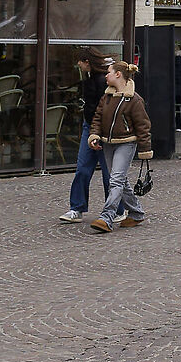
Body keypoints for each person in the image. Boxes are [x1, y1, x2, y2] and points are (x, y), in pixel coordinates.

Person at [91, 58, 153, 233]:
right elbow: (97, 117)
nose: (106, 76)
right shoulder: (107, 97)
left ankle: (107, 217)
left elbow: (143, 126)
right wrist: (95, 135)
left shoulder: (134, 99)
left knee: (116, 179)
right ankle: (136, 212)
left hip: (126, 143)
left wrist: (145, 150)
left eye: (108, 72)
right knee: (120, 180)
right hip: (108, 143)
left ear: (118, 74)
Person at [58, 51, 110, 224]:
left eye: (79, 62)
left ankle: (115, 209)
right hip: (90, 127)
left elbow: (101, 109)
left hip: (99, 128)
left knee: (108, 172)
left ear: (86, 62)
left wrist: (97, 131)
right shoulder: (92, 79)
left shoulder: (101, 81)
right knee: (83, 168)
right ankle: (77, 208)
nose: (77, 65)